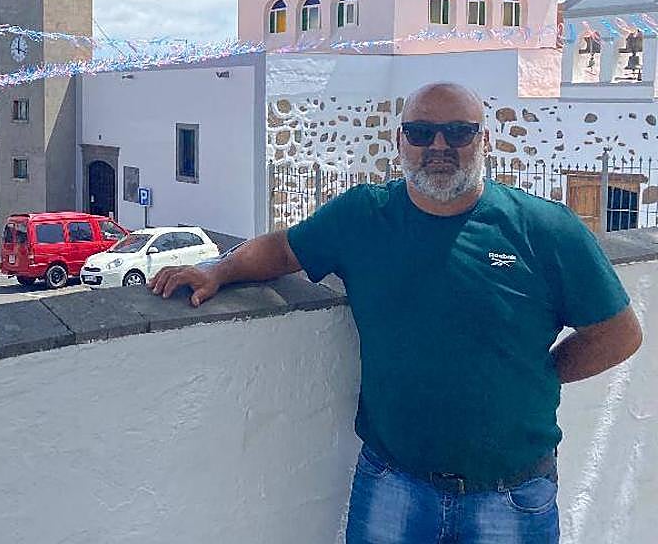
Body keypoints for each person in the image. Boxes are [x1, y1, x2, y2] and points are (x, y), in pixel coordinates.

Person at [148, 82, 643, 544]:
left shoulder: (544, 228)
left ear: (484, 141)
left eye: (459, 132)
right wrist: (219, 271)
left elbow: (619, 334)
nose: (439, 145)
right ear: (400, 140)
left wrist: (539, 375)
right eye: (421, 132)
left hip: (511, 493)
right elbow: (283, 249)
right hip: (392, 483)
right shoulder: (365, 215)